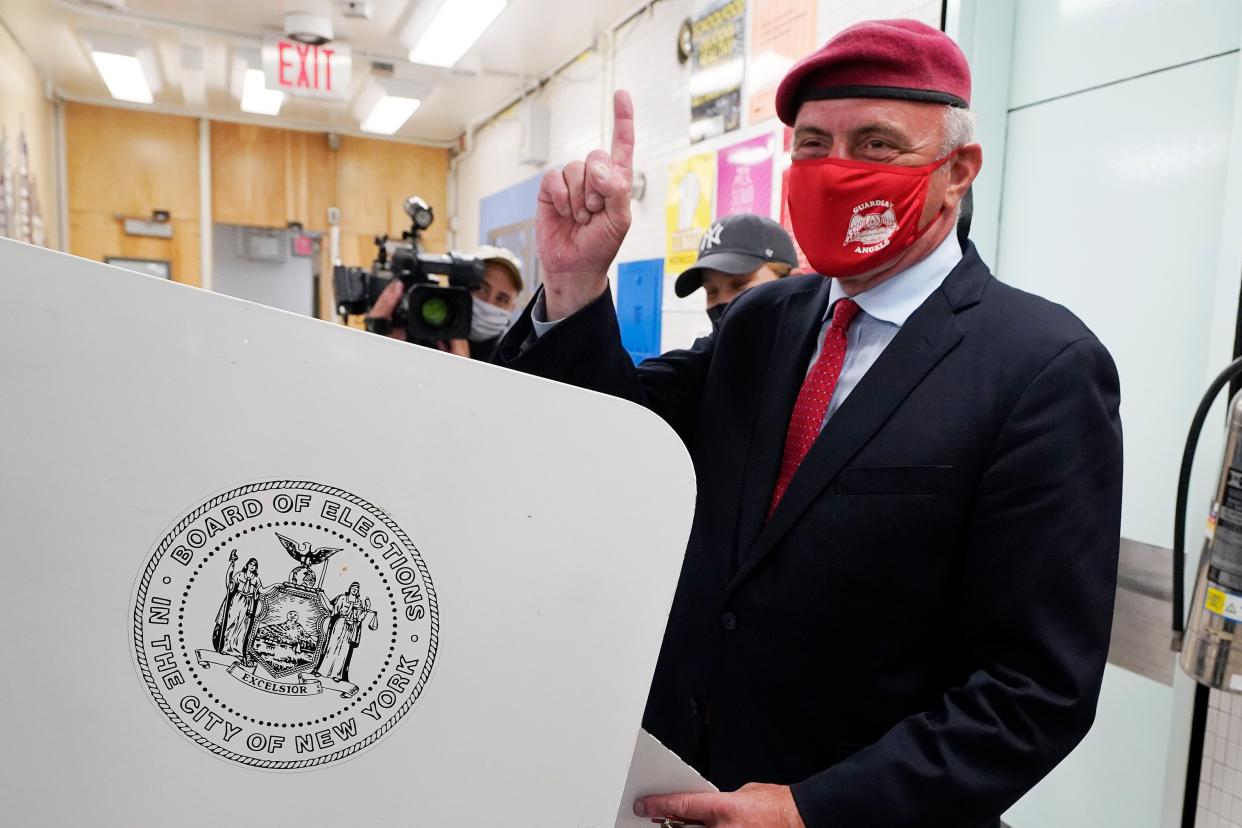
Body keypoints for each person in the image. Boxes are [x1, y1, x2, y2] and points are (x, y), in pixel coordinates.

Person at [495, 19, 1122, 828]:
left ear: (957, 170)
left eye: (876, 144)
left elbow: (1034, 692)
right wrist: (575, 284)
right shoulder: (762, 321)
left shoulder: (1040, 367)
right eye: (814, 144)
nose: (836, 171)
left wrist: (813, 810)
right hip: (676, 790)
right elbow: (614, 440)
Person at [364, 243, 523, 361]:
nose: (489, 302)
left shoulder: (513, 356)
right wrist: (377, 337)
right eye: (481, 288)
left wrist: (465, 372)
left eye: (502, 298)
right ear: (458, 287)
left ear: (512, 307)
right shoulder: (421, 329)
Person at [674, 213, 797, 331]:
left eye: (740, 284)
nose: (723, 301)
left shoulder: (812, 349)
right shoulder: (715, 350)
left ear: (793, 282)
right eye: (711, 291)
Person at [314, 582, 371, 682]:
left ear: (358, 591)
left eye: (357, 589)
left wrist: (366, 609)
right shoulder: (342, 598)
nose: (354, 590)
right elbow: (333, 611)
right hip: (340, 623)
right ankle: (322, 670)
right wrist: (323, 595)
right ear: (349, 588)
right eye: (353, 588)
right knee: (332, 647)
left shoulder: (359, 602)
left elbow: (360, 618)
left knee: (344, 651)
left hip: (350, 627)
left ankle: (337, 674)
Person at [211, 552, 262, 660]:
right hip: (237, 601)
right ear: (247, 565)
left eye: (254, 565)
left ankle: (237, 651)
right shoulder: (240, 574)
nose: (252, 567)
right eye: (251, 564)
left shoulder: (256, 579)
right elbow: (231, 584)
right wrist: (232, 565)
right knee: (231, 624)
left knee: (243, 627)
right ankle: (226, 648)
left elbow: (259, 592)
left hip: (248, 603)